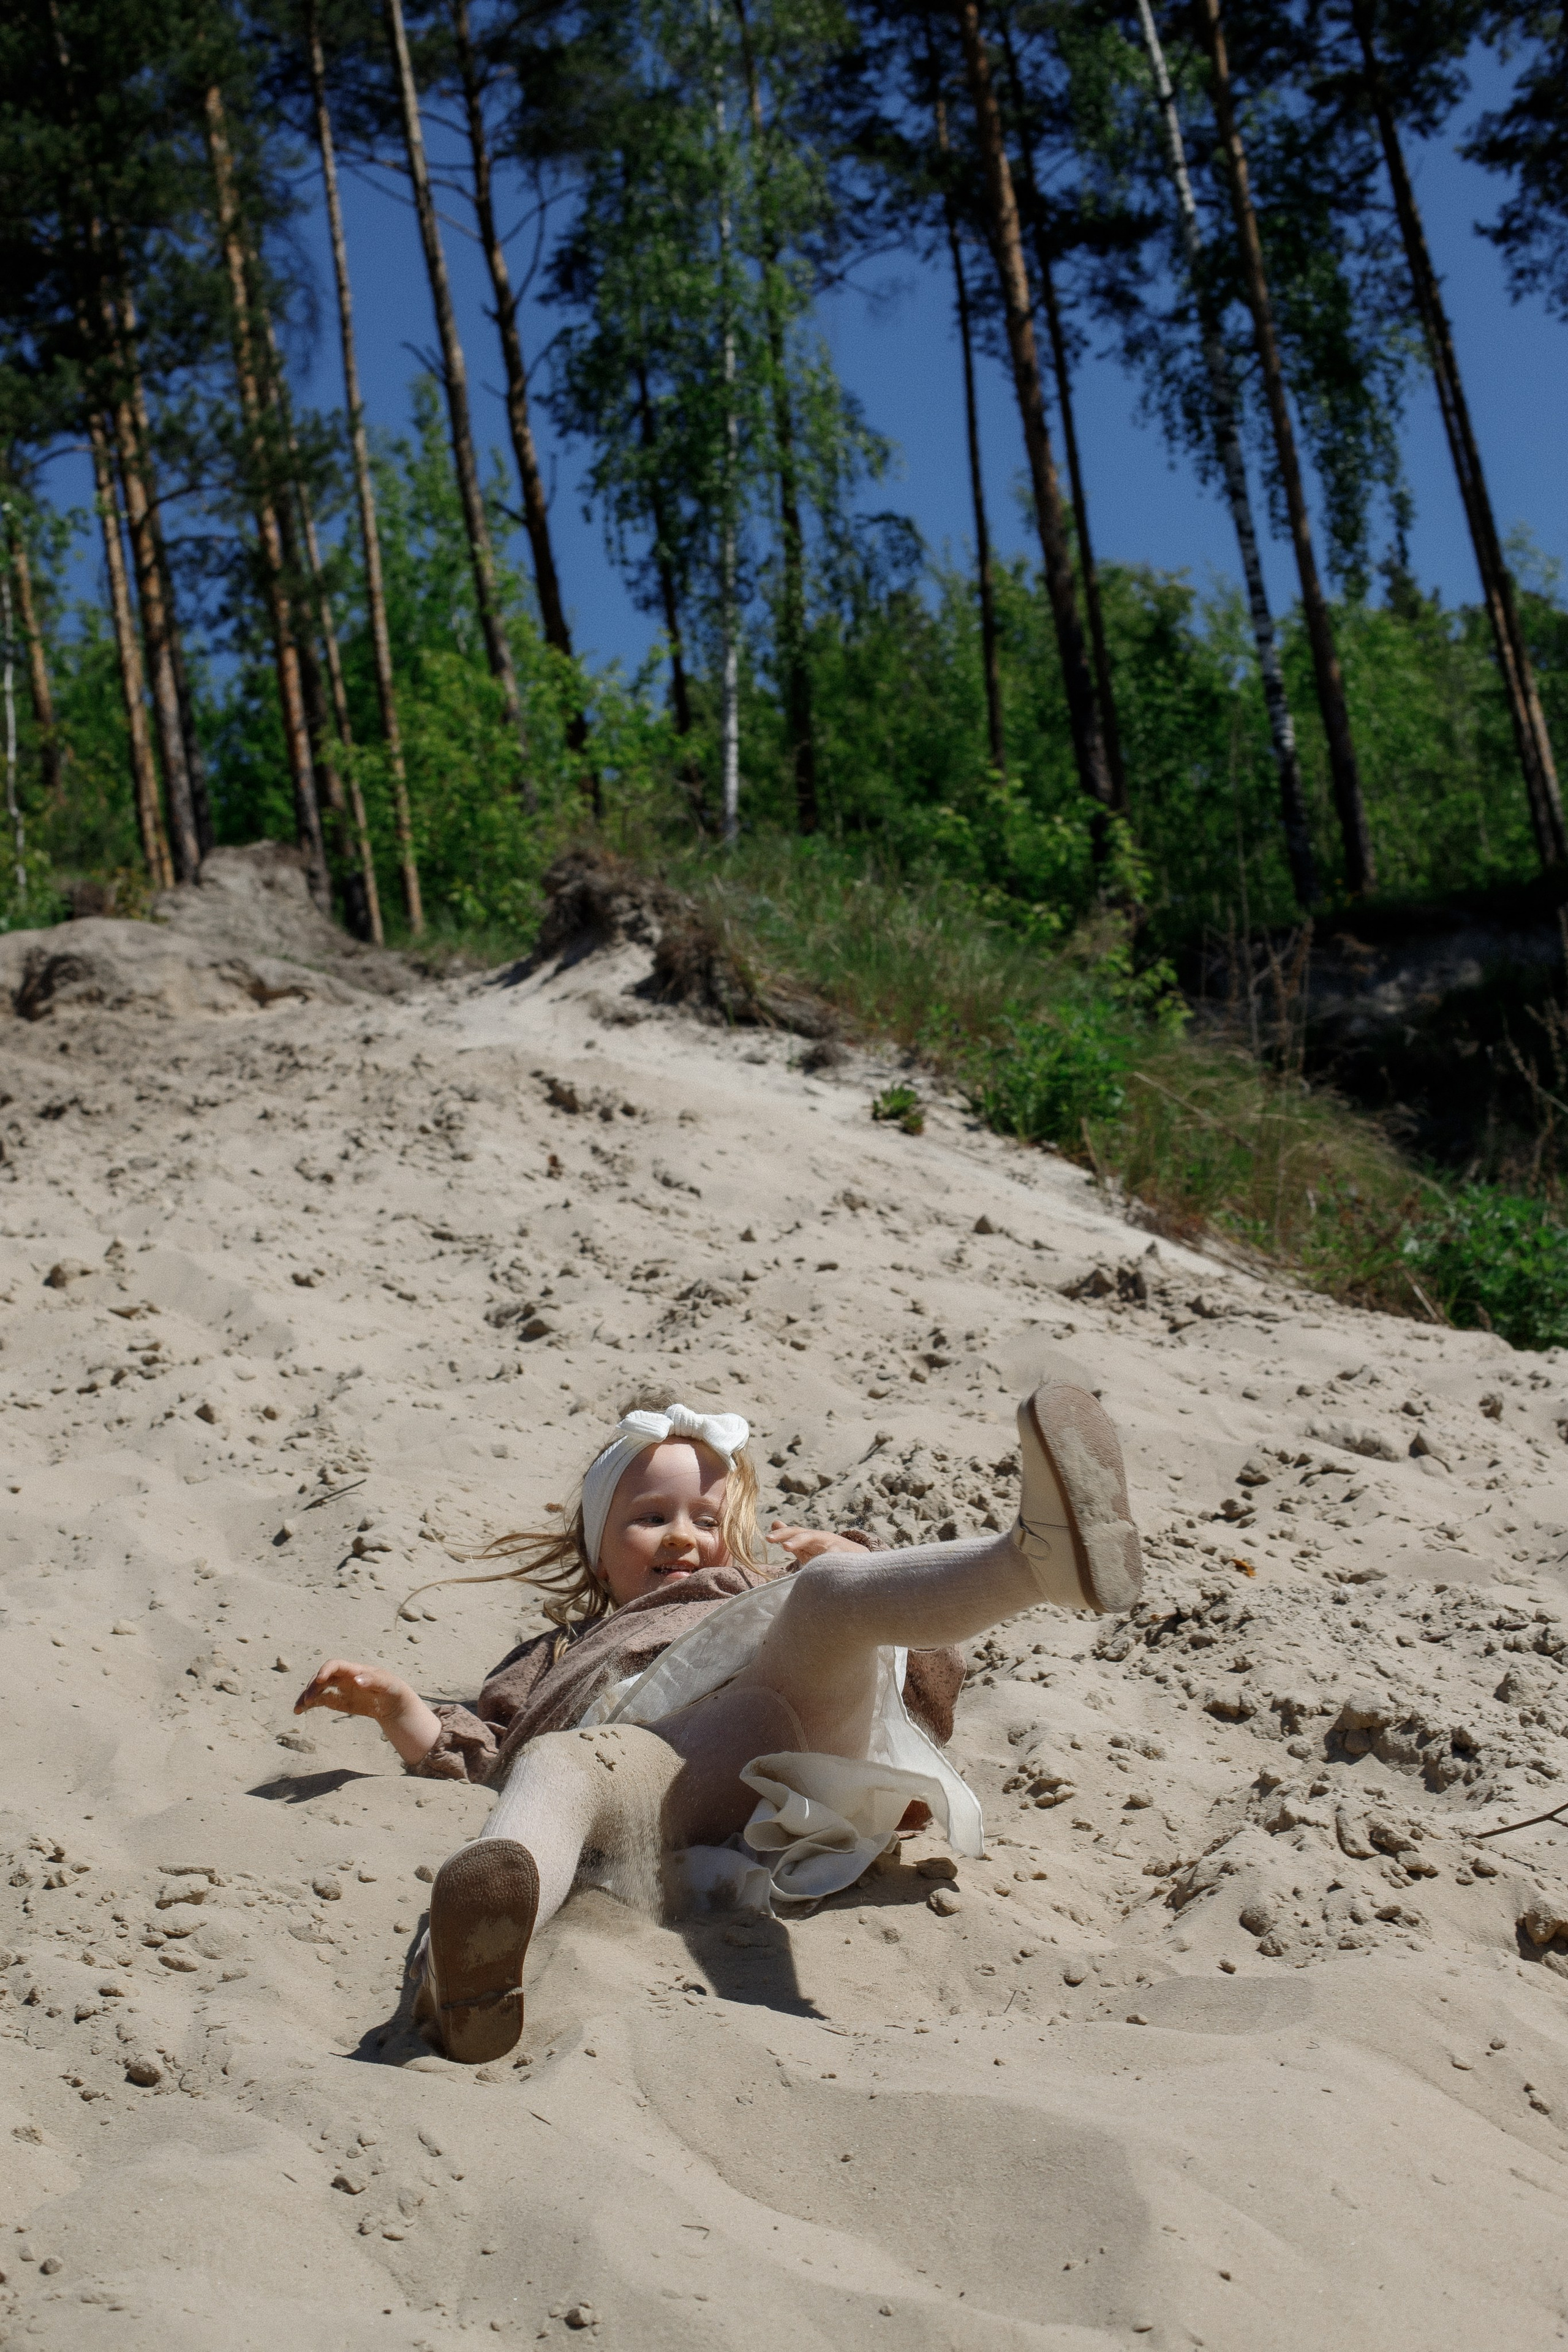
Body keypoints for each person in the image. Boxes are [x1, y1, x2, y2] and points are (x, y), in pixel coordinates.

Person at [294, 1384, 1141, 2064]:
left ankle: (1036, 1562)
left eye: (708, 1521)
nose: (683, 1539)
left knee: (828, 1597)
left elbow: (924, 1681)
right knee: (557, 1766)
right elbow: (480, 1755)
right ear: (597, 1544)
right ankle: (470, 1971)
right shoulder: (560, 1651)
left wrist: (849, 1565)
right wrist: (400, 1710)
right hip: (668, 1766)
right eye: (650, 1518)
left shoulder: (753, 1591)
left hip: (810, 1742)